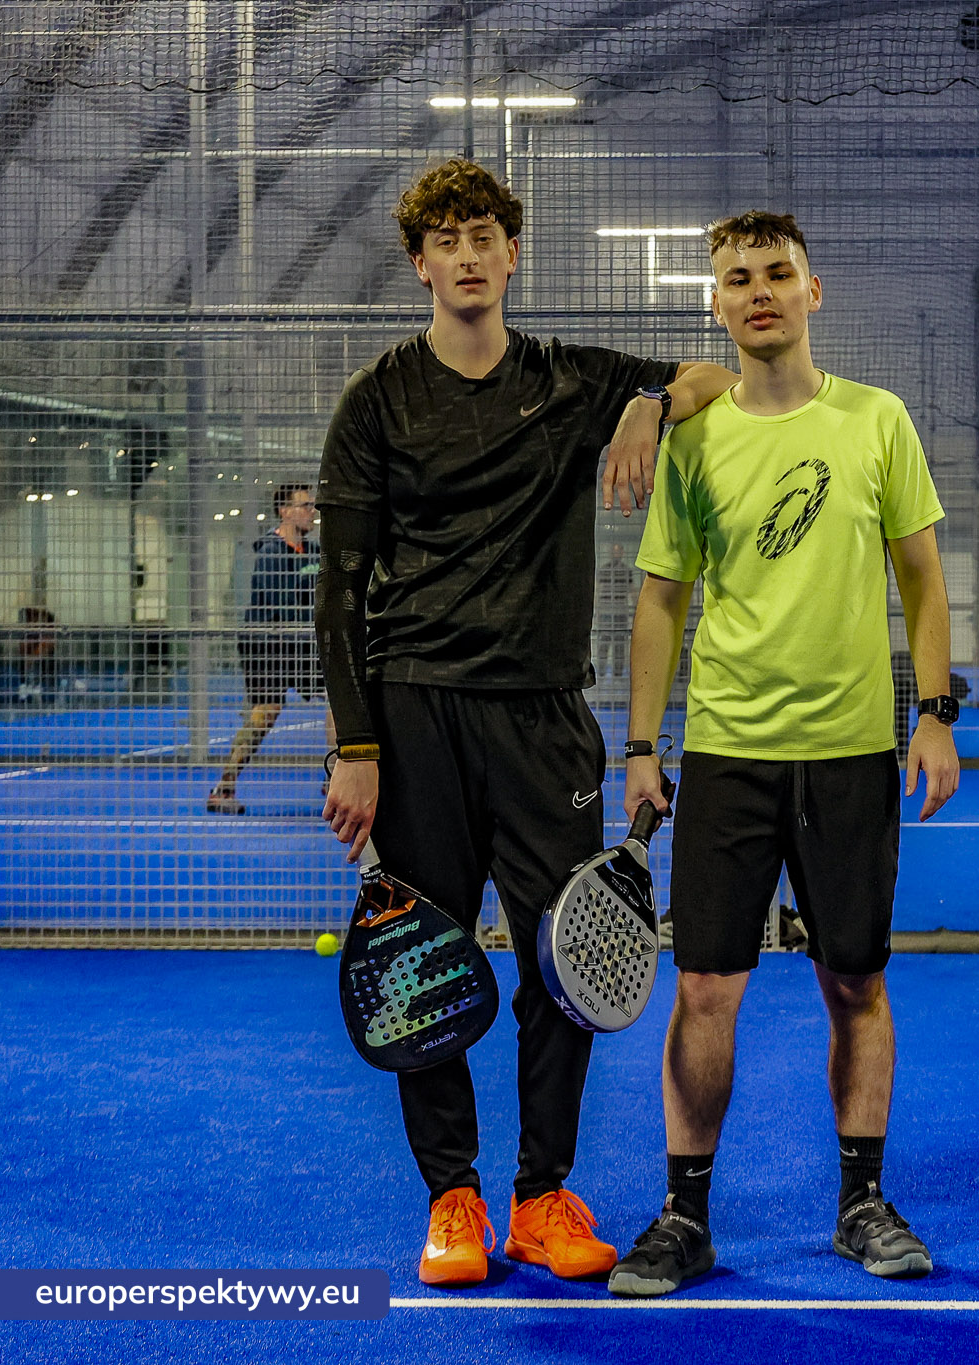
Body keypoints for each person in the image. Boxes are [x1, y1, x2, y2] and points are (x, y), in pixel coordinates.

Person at [315, 158, 738, 1290]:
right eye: (443, 238)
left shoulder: (571, 379)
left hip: (545, 719)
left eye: (482, 235)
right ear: (420, 264)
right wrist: (358, 749)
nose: (464, 254)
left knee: (568, 964)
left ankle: (542, 1196)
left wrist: (646, 405)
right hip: (413, 718)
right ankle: (452, 1199)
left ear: (512, 255)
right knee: (423, 963)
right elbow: (340, 591)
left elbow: (709, 373)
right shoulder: (377, 400)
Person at [611, 210, 959, 1298]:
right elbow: (660, 602)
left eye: (775, 273)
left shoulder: (875, 420)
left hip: (852, 753)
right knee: (705, 989)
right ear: (714, 305)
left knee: (855, 983)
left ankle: (861, 1203)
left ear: (816, 291)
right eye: (734, 279)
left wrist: (935, 711)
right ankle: (684, 1216)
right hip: (726, 755)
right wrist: (638, 747)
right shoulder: (697, 441)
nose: (756, 290)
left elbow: (923, 580)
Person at [208, 483, 329, 814]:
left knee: (338, 699)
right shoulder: (270, 553)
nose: (311, 512)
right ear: (285, 511)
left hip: (302, 643)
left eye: (312, 506)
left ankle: (335, 776)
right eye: (305, 506)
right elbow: (285, 606)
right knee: (265, 716)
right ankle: (224, 788)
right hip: (267, 646)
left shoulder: (315, 551)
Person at [593, 541, 637, 686]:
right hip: (606, 611)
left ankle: (617, 675)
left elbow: (631, 591)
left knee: (619, 644)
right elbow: (598, 590)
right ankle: (600, 674)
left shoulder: (626, 571)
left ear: (622, 553)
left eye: (619, 551)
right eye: (615, 551)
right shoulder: (604, 570)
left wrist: (636, 608)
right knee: (603, 644)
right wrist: (597, 609)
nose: (617, 554)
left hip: (620, 612)